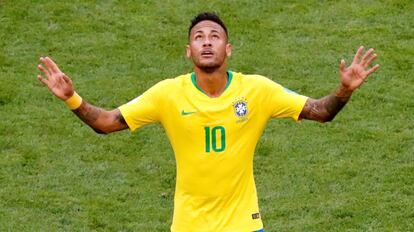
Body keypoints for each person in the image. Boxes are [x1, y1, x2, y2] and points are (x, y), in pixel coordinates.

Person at [37, 12, 379, 232]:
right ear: (188, 50)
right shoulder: (168, 94)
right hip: (189, 226)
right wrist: (72, 98)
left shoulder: (257, 90)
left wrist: (344, 90)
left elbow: (321, 111)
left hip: (244, 225)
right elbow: (107, 122)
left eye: (214, 36)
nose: (206, 42)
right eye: (199, 37)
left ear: (228, 48)